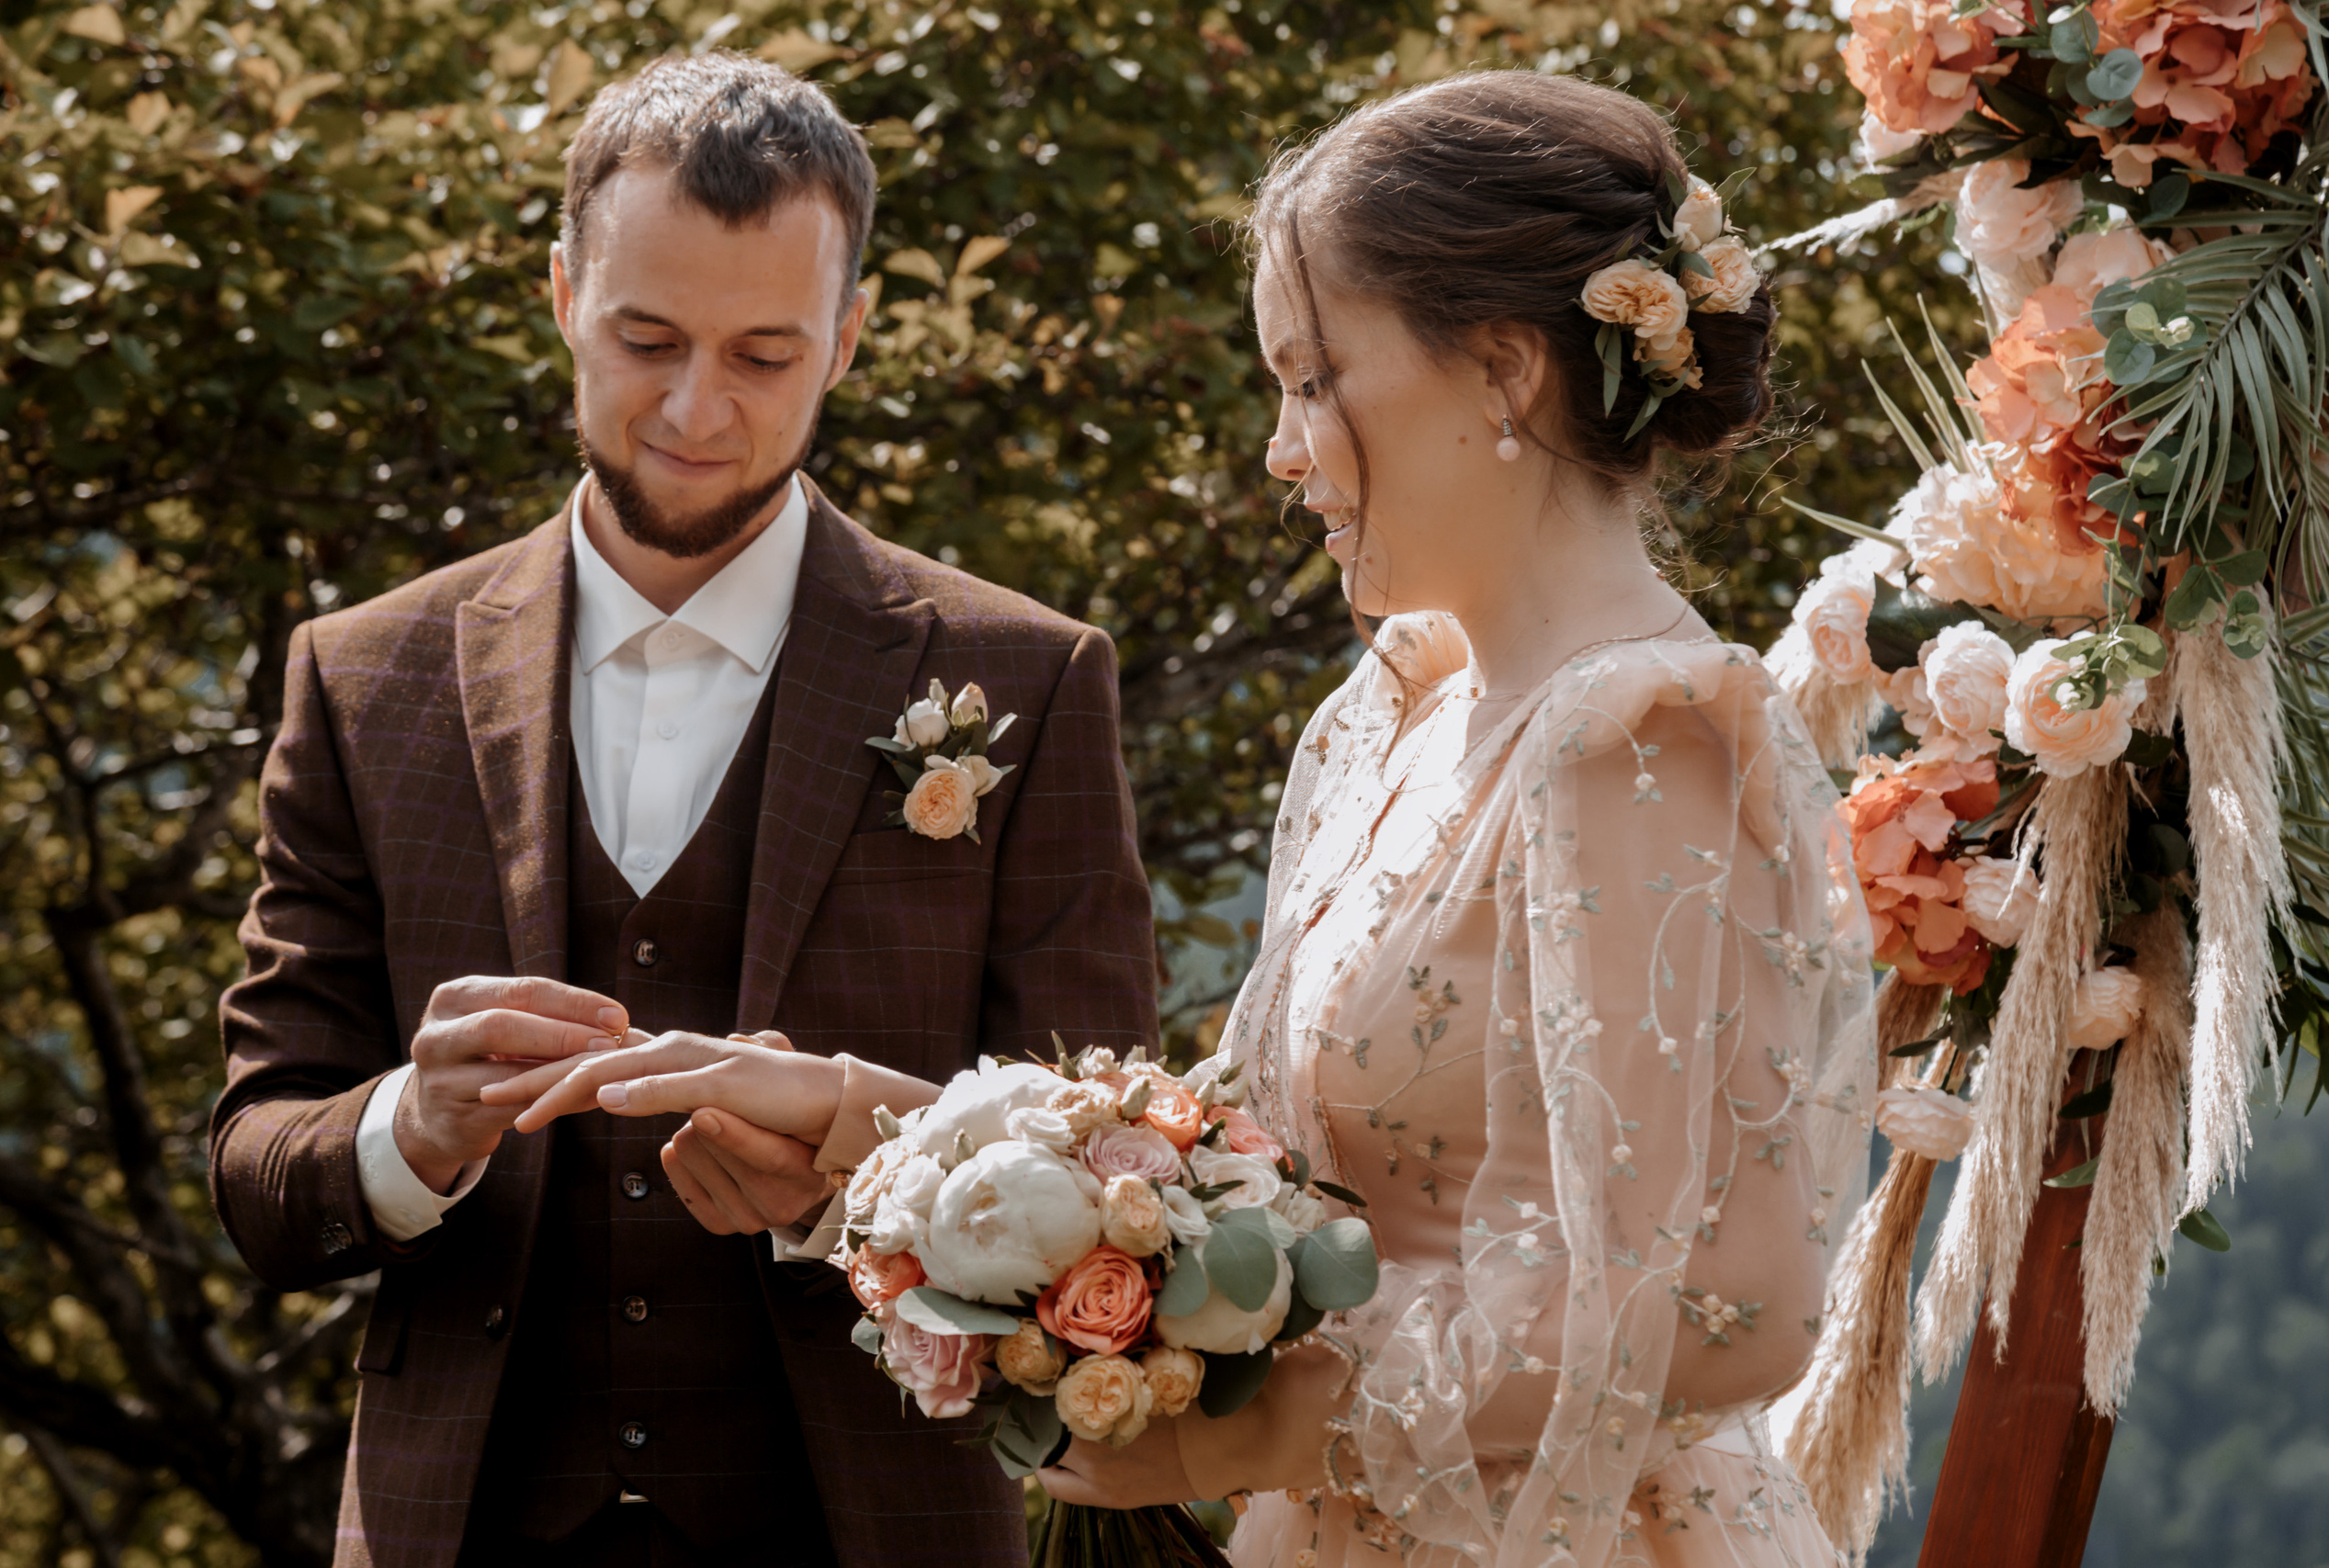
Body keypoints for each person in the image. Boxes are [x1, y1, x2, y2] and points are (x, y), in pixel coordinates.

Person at [515, 67, 1878, 1568]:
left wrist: (1252, 1427)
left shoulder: (1644, 737)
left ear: (1502, 371)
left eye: (1315, 380)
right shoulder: (1400, 707)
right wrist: (863, 1136)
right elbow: (1236, 1179)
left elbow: (1731, 1310)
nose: (1285, 449)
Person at [209, 52, 1158, 1568]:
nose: (696, 408)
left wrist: (848, 1180)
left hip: (871, 1528)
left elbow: (1114, 1176)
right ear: (562, 296)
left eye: (764, 355)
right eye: (645, 339)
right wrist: (410, 1130)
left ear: (848, 339)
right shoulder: (366, 678)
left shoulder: (1026, 681)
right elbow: (260, 1174)